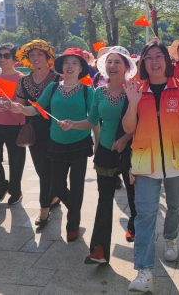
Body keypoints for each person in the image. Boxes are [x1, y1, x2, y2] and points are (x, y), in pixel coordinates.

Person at [122, 40, 179, 293]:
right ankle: (144, 272)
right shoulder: (135, 89)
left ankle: (170, 238)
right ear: (143, 63)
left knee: (176, 205)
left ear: (166, 60)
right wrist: (132, 102)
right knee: (145, 214)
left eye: (159, 56)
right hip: (145, 162)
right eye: (149, 57)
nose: (154, 61)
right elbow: (128, 128)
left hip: (177, 160)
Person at [59, 46, 138, 264]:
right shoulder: (99, 92)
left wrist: (126, 138)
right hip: (105, 151)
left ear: (126, 66)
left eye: (117, 62)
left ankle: (135, 228)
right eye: (109, 62)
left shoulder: (135, 90)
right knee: (104, 200)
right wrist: (73, 124)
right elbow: (91, 121)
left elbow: (144, 121)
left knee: (134, 198)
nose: (112, 65)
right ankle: (99, 249)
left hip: (131, 152)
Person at [11, 48, 94, 242]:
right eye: (67, 63)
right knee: (56, 186)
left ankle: (73, 225)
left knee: (77, 186)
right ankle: (74, 208)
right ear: (62, 67)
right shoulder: (53, 87)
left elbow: (93, 121)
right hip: (56, 143)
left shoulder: (87, 91)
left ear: (81, 68)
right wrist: (21, 108)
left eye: (74, 63)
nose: (70, 66)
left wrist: (76, 126)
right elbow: (36, 110)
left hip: (79, 144)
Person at [15, 40, 61, 228]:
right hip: (34, 130)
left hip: (56, 129)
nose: (35, 58)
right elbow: (20, 105)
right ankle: (54, 196)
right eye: (31, 55)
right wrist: (9, 106)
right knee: (42, 169)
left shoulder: (59, 78)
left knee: (51, 170)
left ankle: (44, 209)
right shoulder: (23, 81)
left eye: (39, 54)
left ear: (48, 57)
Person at [0, 43, 26, 206]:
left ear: (14, 58)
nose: (2, 59)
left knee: (16, 160)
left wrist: (9, 104)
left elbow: (22, 103)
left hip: (15, 125)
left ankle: (16, 191)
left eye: (7, 56)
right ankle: (2, 184)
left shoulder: (21, 78)